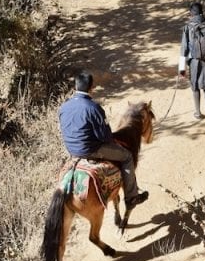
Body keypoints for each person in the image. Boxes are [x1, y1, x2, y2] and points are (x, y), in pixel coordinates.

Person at [58, 72, 149, 209]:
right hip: (91, 150)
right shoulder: (94, 108)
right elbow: (105, 137)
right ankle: (132, 197)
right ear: (91, 88)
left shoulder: (63, 107)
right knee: (127, 157)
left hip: (71, 150)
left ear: (75, 87)